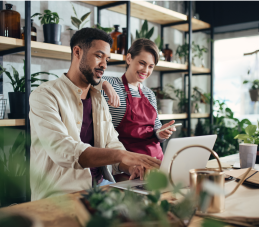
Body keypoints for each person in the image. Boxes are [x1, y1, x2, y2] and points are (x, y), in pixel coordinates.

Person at [29, 28, 161, 201]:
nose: (104, 65)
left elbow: (112, 143)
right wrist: (123, 155)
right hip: (60, 197)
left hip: (100, 190)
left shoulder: (98, 99)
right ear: (77, 52)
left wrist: (131, 167)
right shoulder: (45, 95)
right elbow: (63, 150)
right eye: (99, 56)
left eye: (107, 59)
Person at [99, 39, 176, 161]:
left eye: (151, 66)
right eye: (142, 63)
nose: (145, 70)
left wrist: (161, 133)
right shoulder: (111, 84)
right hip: (127, 162)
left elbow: (155, 129)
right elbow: (85, 80)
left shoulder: (149, 94)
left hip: (156, 159)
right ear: (129, 58)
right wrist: (104, 84)